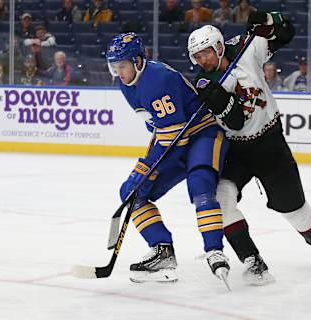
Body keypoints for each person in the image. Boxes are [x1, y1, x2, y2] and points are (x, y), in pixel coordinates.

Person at [187, 12, 311, 284]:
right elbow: (234, 119)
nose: (203, 60)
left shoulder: (246, 50)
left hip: (269, 142)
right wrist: (218, 98)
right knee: (221, 199)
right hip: (235, 149)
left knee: (293, 208)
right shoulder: (206, 84)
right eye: (197, 57)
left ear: (219, 46)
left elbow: (286, 34)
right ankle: (253, 260)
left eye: (206, 53)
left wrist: (271, 22)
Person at [106, 32, 230, 284]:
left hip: (202, 135)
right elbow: (161, 130)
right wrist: (146, 167)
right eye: (114, 66)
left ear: (138, 62)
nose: (118, 72)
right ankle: (162, 250)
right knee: (131, 193)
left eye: (122, 65)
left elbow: (176, 136)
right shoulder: (126, 84)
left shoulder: (157, 79)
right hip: (173, 141)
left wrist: (147, 166)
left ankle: (215, 251)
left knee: (200, 186)